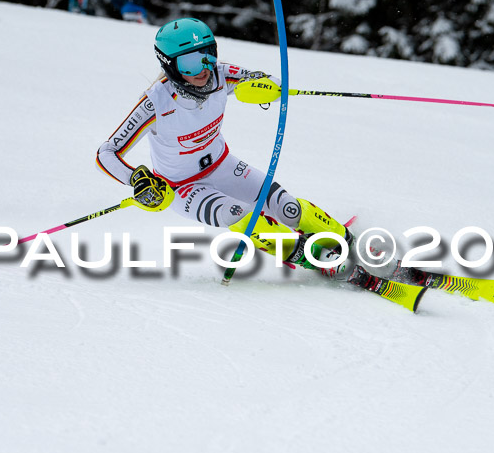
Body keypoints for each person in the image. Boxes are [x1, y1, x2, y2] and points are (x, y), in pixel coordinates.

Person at [96, 17, 352, 271]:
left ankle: (348, 241)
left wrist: (266, 88)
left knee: (288, 208)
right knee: (240, 216)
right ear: (170, 65)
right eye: (190, 63)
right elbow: (106, 153)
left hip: (224, 167)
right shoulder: (155, 104)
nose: (203, 69)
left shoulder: (220, 75)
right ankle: (308, 257)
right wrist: (136, 179)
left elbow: (269, 80)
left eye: (207, 55)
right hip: (183, 188)